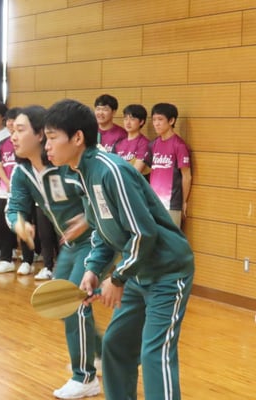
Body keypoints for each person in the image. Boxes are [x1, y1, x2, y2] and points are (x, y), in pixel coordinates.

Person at [44, 99, 194, 400]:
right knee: (116, 345)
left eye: (51, 137)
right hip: (139, 272)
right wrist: (93, 269)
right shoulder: (82, 172)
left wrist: (118, 278)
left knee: (155, 354)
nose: (46, 146)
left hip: (168, 272)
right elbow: (102, 230)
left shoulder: (111, 171)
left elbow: (143, 232)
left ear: (77, 138)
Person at [6, 105, 100, 399]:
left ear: (40, 135)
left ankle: (85, 377)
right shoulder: (22, 172)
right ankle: (100, 353)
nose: (13, 136)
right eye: (12, 131)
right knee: (59, 302)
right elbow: (14, 207)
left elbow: (99, 195)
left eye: (20, 130)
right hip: (70, 245)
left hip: (97, 241)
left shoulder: (68, 164)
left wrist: (87, 218)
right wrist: (19, 223)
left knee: (73, 302)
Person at [149, 103, 191, 227]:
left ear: (171, 120)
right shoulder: (153, 144)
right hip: (153, 203)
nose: (156, 123)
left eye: (160, 119)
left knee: (170, 237)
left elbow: (186, 176)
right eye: (154, 120)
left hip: (171, 205)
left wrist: (184, 202)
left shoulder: (179, 145)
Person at [0, 107, 20, 274]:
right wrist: (7, 182)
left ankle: (28, 260)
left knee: (23, 225)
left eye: (14, 120)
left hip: (22, 192)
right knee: (2, 226)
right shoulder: (2, 144)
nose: (10, 123)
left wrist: (15, 183)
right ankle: (6, 259)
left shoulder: (25, 142)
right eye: (8, 120)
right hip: (4, 191)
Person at [113, 104, 151, 175]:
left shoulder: (144, 143)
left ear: (141, 122)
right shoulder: (118, 143)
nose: (128, 122)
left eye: (132, 119)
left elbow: (136, 171)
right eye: (125, 118)